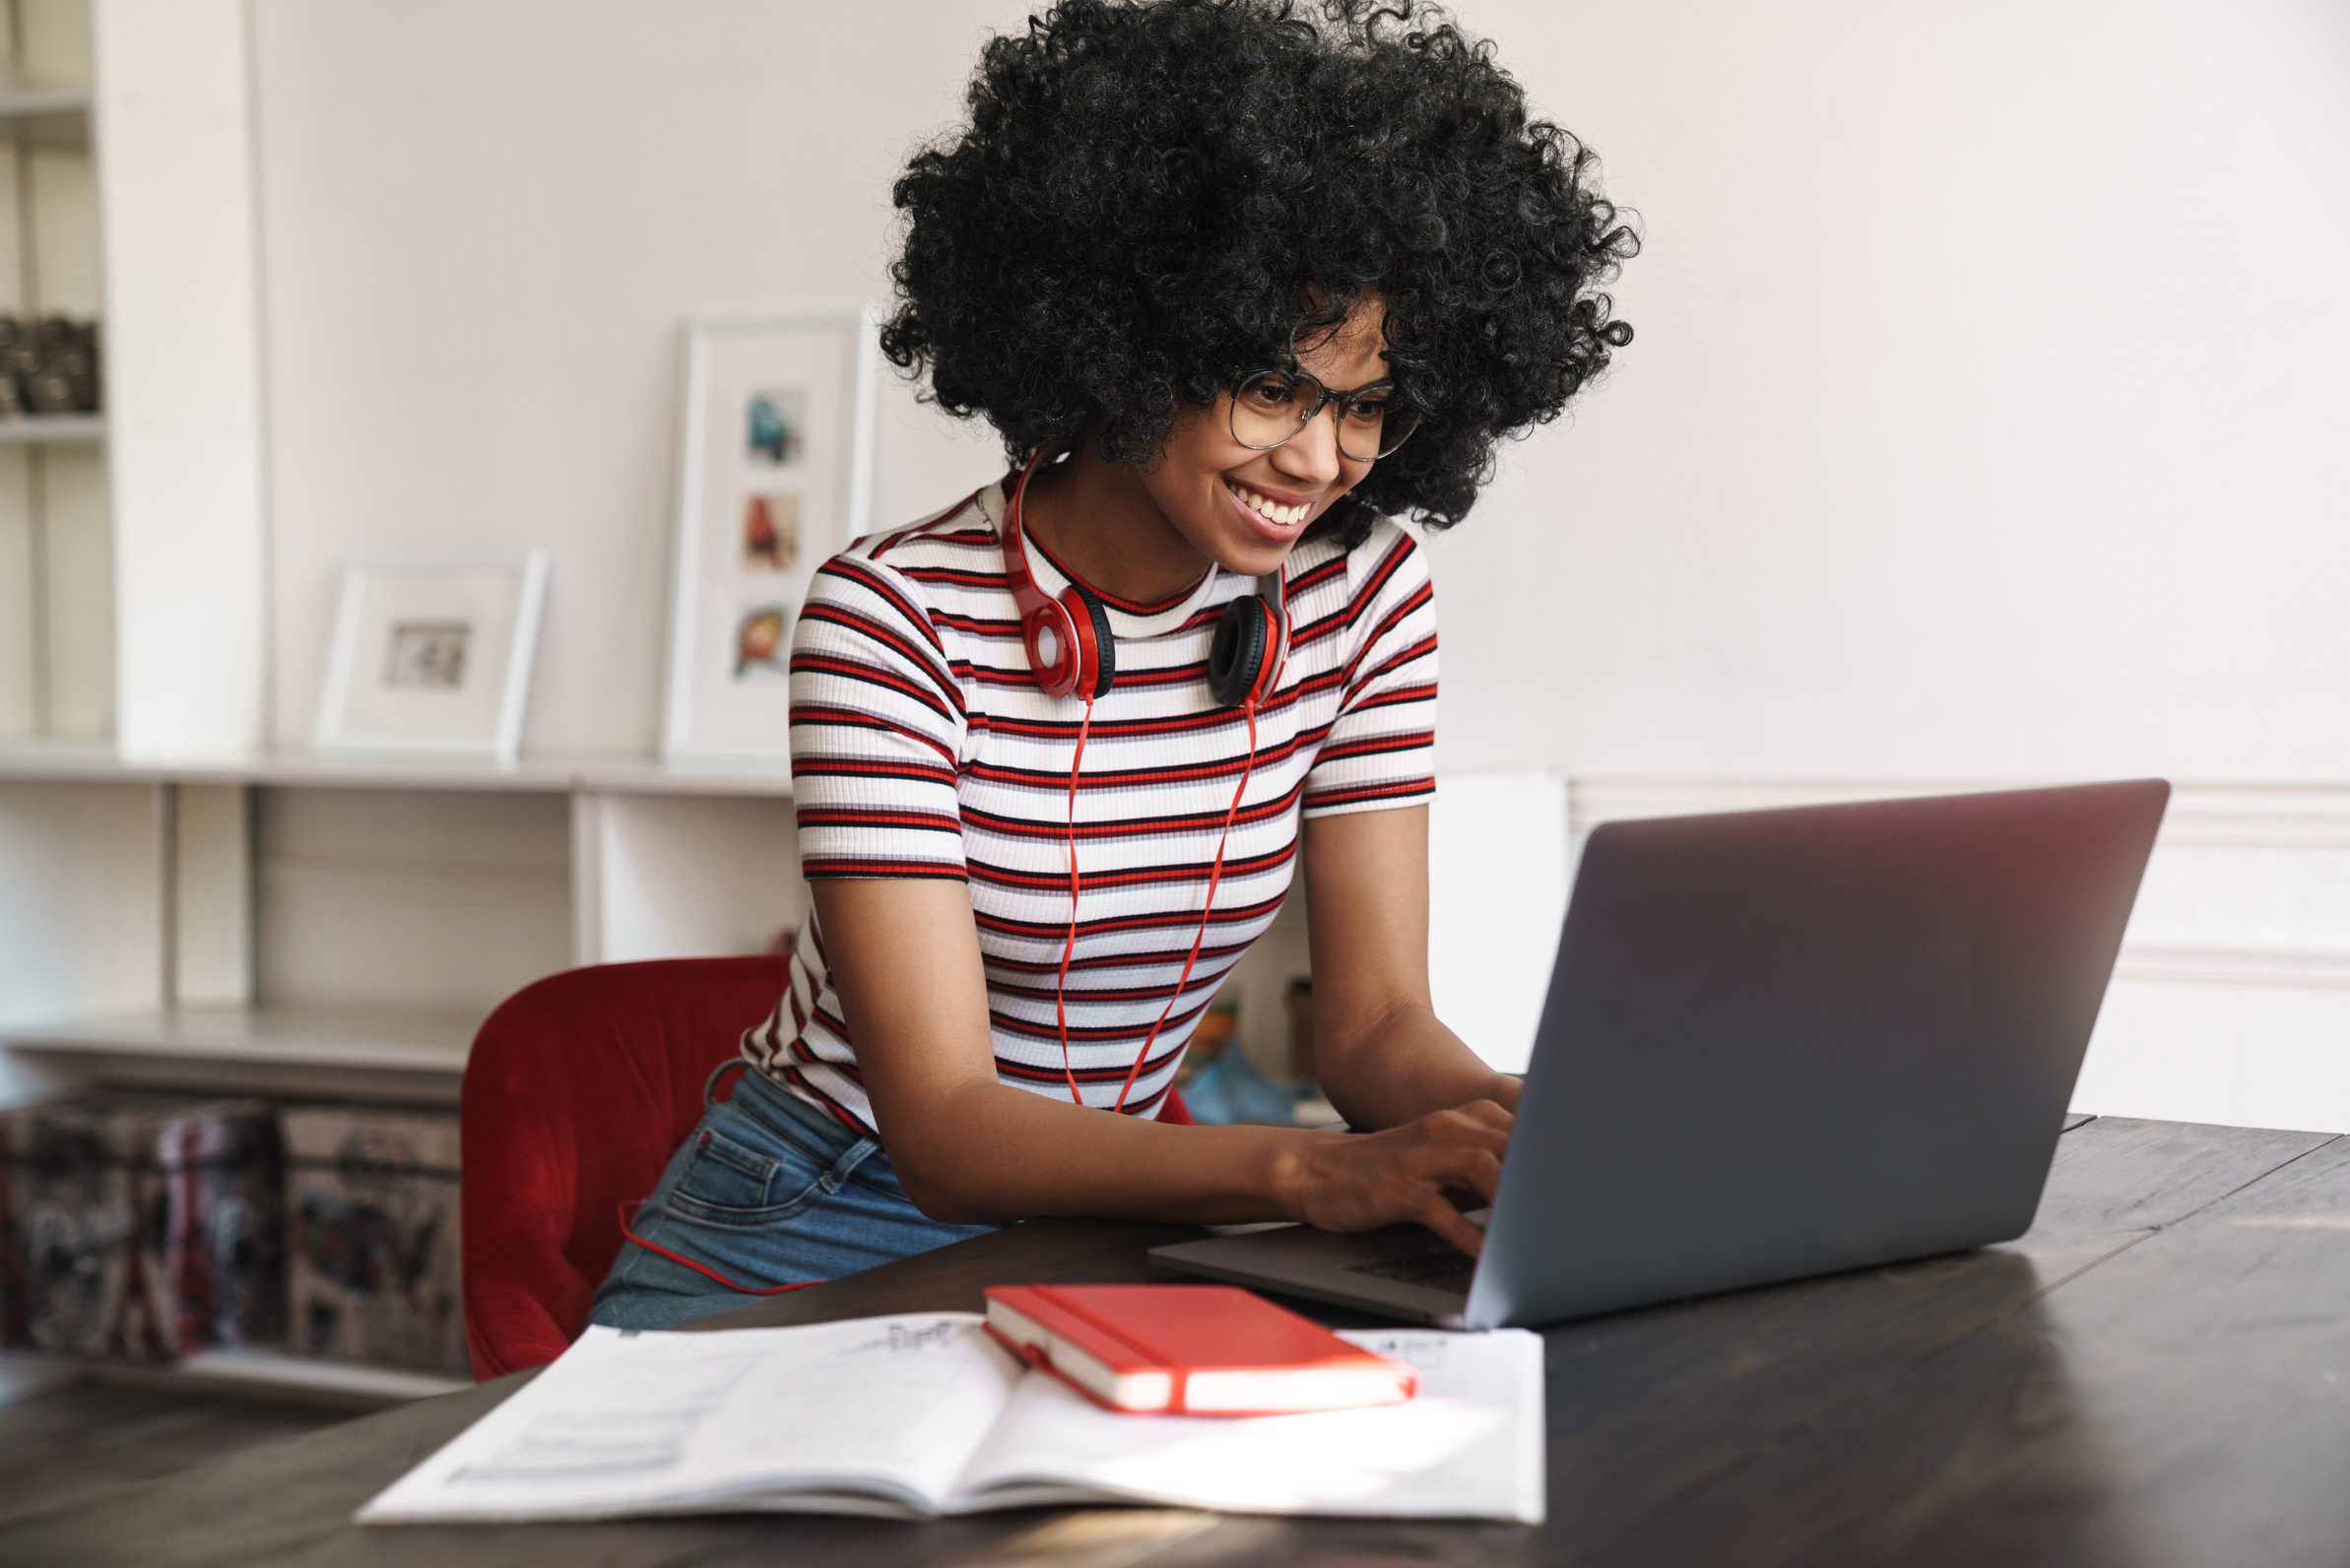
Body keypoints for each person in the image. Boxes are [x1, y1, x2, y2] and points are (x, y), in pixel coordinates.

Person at [592, 0, 1636, 1331]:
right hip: (815, 1216)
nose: (1317, 463)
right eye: (1270, 387)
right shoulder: (890, 618)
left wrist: (1533, 1136)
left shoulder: (1360, 593)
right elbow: (949, 1131)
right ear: (1129, 344)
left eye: (1364, 405)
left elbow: (1374, 1035)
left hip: (1115, 1214)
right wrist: (1310, 1171)